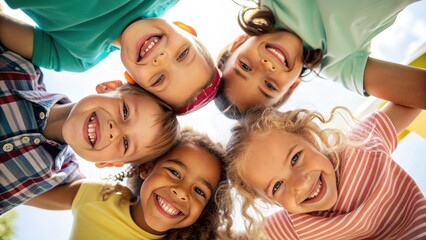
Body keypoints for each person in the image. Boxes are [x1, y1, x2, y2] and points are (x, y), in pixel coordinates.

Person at [0, 45, 179, 215]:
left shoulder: (61, 178)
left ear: (108, 163)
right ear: (109, 87)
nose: (114, 131)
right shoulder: (17, 68)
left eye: (125, 143)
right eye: (125, 111)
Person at [224, 103, 426, 239]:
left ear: (309, 137)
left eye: (295, 158)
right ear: (270, 201)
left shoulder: (359, 145)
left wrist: (348, 68)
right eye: (277, 186)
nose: (300, 184)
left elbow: (415, 93)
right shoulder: (293, 225)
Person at [0, 1, 221, 115]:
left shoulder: (76, 58)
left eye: (159, 79)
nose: (161, 59)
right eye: (183, 54)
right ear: (186, 29)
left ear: (132, 80)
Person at [215, 0, 426, 119]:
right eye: (269, 85)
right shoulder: (338, 64)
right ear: (292, 87)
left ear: (238, 43)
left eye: (244, 66)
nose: (266, 67)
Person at [25, 128, 234, 240]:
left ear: (203, 212)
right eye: (174, 172)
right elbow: (23, 194)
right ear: (146, 168)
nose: (181, 193)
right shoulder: (101, 196)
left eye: (199, 191)